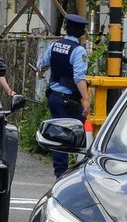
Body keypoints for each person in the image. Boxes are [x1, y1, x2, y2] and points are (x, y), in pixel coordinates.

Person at [37, 12, 90, 178]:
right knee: (83, 132)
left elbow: (41, 65)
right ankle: (81, 169)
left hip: (54, 97)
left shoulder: (55, 45)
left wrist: (41, 73)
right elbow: (79, 77)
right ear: (81, 32)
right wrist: (86, 98)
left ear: (66, 28)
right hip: (69, 100)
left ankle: (60, 171)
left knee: (58, 133)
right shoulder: (78, 50)